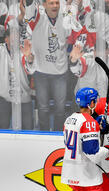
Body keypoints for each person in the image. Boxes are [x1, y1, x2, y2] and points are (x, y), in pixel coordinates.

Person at [24, 0, 82, 131]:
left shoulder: (66, 19)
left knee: (60, 109)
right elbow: (29, 5)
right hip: (41, 72)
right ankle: (43, 135)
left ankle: (57, 136)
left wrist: (76, 50)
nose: (55, 6)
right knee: (43, 108)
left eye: (57, 3)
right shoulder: (37, 17)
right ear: (44, 5)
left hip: (60, 73)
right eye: (51, 3)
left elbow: (79, 34)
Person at [0, 28, 35, 130]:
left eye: (18, 36)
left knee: (28, 128)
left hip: (23, 96)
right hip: (4, 97)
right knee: (2, 127)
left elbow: (31, 69)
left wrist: (29, 57)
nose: (16, 39)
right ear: (6, 39)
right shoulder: (1, 50)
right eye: (13, 36)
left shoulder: (24, 50)